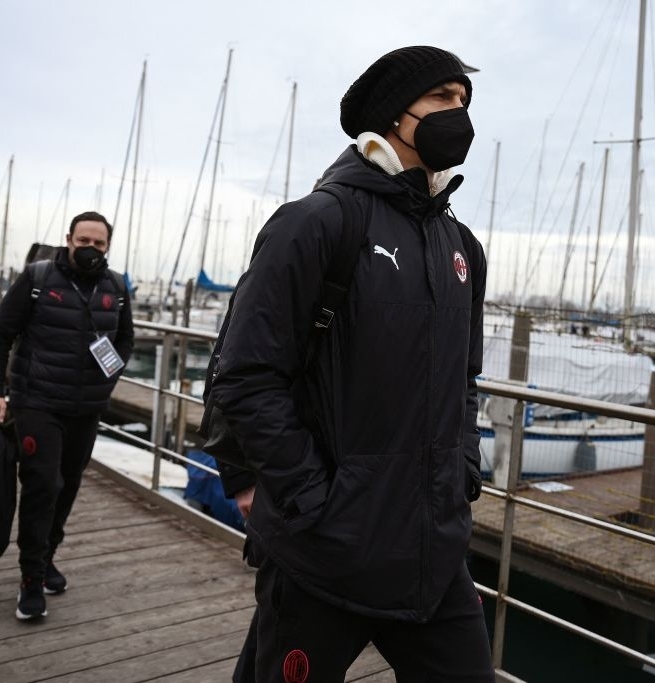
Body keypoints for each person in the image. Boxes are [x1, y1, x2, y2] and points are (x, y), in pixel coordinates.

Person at [209, 46, 493, 682]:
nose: (460, 112)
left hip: (432, 550)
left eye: (465, 100)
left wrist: (463, 471)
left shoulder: (462, 247)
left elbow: (464, 381)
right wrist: (313, 500)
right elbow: (245, 374)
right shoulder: (317, 222)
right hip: (326, 550)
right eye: (443, 97)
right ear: (394, 114)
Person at [0, 211, 134, 622]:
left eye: (98, 244)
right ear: (69, 239)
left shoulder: (116, 287)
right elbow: (0, 335)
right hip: (37, 403)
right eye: (83, 240)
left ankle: (46, 557)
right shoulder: (38, 278)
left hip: (87, 409)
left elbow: (125, 340)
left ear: (107, 247)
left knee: (67, 486)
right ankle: (30, 578)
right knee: (42, 484)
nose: (90, 249)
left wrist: (108, 381)